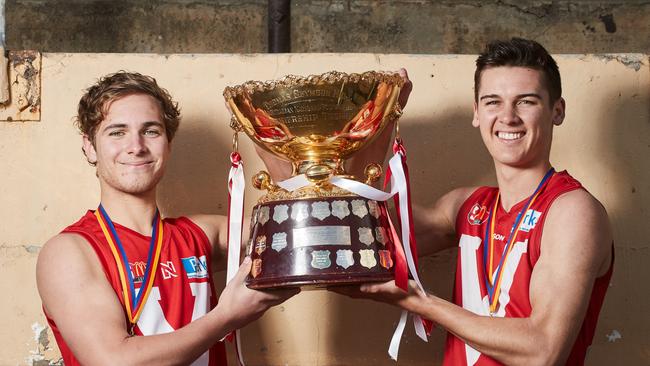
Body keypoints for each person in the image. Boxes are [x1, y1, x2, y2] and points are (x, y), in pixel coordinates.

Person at [337, 38, 614, 365]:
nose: (508, 117)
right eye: (493, 102)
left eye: (525, 101)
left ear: (557, 110)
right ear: (476, 113)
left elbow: (543, 351)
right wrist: (381, 119)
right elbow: (357, 239)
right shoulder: (467, 206)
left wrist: (419, 301)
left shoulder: (572, 211)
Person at [36, 71, 299, 365]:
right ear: (89, 147)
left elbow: (296, 229)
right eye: (117, 132)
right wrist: (226, 317)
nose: (136, 146)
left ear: (168, 144)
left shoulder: (198, 234)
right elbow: (114, 361)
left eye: (151, 131)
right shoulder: (70, 252)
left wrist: (265, 136)